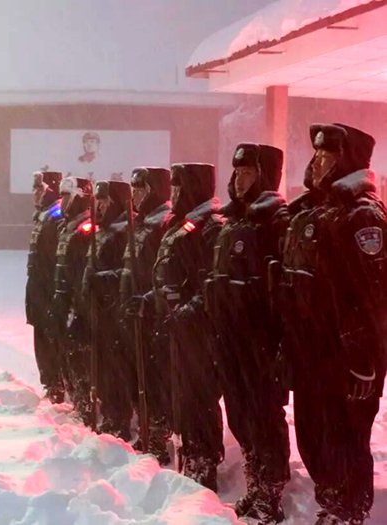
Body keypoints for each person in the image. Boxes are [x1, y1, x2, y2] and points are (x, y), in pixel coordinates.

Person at [277, 124, 387, 525]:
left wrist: (362, 359)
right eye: (318, 155)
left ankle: (348, 512)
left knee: (345, 439)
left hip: (345, 356)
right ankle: (331, 503)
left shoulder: (362, 215)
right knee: (314, 436)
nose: (319, 162)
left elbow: (372, 295)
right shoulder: (315, 210)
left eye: (329, 156)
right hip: (313, 351)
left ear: (348, 162)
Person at [206, 144, 290, 523]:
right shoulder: (233, 222)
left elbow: (282, 289)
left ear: (265, 175)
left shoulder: (276, 221)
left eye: (249, 173)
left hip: (261, 342)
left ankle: (270, 493)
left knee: (264, 416)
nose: (240, 180)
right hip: (231, 339)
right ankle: (256, 485)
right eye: (237, 173)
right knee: (240, 416)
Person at [152, 163, 224, 491]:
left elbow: (210, 282)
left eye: (181, 188)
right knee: (182, 394)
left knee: (199, 396)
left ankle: (204, 459)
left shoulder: (210, 228)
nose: (176, 194)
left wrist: (187, 311)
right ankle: (191, 451)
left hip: (200, 332)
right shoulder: (179, 225)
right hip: (178, 327)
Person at [120, 167, 173, 462]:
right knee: (136, 375)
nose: (136, 196)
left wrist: (148, 301)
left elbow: (161, 272)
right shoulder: (139, 224)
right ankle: (145, 428)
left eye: (142, 190)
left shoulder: (160, 224)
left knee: (154, 379)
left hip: (152, 315)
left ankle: (157, 434)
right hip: (133, 311)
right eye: (134, 190)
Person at [83, 180, 131, 438]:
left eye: (105, 201)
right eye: (98, 201)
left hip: (114, 311)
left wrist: (101, 281)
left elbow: (127, 272)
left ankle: (118, 418)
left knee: (115, 370)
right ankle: (110, 413)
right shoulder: (103, 231)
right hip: (100, 311)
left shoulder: (123, 232)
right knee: (103, 368)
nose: (100, 206)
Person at [48, 177, 94, 421]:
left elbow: (81, 272)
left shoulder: (85, 228)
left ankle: (86, 406)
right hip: (65, 302)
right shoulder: (66, 227)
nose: (62, 202)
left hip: (78, 305)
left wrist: (79, 308)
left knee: (80, 358)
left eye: (67, 196)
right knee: (66, 355)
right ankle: (78, 401)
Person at [26, 171, 65, 403]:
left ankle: (56, 384)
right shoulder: (43, 216)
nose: (36, 194)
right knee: (41, 338)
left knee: (51, 340)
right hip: (39, 288)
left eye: (40, 189)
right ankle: (50, 381)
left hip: (49, 289)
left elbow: (55, 258)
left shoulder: (56, 216)